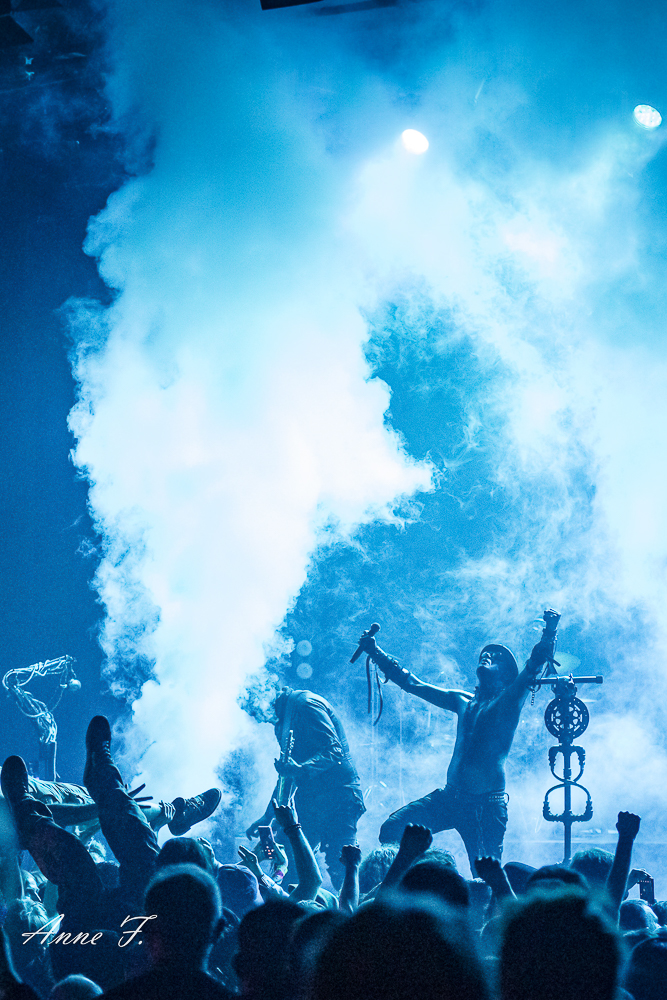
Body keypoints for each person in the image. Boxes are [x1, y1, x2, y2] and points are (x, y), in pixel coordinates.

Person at [356, 630, 552, 871]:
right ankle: (421, 883)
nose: (487, 656)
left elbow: (533, 667)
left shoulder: (508, 703)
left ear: (506, 676)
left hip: (484, 808)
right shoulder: (463, 701)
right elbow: (413, 684)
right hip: (450, 798)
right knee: (393, 829)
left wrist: (548, 634)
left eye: (497, 657)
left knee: (484, 874)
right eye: (485, 654)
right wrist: (376, 652)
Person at [244, 687, 365, 889]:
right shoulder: (283, 722)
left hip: (339, 798)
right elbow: (287, 774)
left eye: (254, 711)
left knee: (341, 865)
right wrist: (268, 816)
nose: (257, 719)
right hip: (312, 801)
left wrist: (301, 769)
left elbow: (334, 750)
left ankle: (356, 908)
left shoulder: (306, 705)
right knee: (291, 861)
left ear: (263, 698)